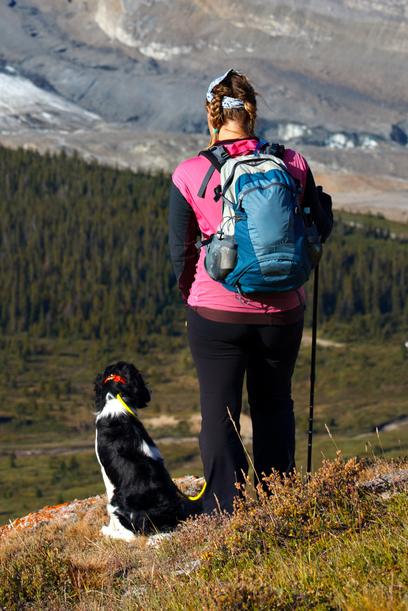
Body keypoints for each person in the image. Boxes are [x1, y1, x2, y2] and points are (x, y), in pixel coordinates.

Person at [169, 68, 333, 515]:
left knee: (219, 410)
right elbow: (320, 228)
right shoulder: (292, 162)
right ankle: (281, 500)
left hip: (217, 312)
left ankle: (227, 508)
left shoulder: (191, 172)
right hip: (284, 310)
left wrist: (193, 296)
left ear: (212, 115)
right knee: (275, 402)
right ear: (252, 113)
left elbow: (181, 250)